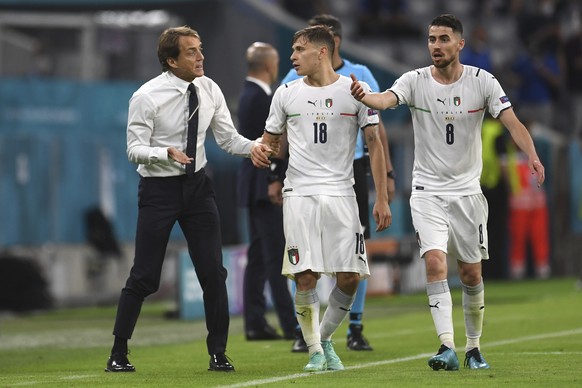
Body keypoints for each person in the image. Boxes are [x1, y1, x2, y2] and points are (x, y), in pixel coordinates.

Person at [351, 14, 545, 371]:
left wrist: (531, 155)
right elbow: (385, 100)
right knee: (435, 262)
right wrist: (366, 96)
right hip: (427, 191)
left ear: (460, 44)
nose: (435, 46)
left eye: (443, 39)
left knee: (471, 274)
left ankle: (473, 348)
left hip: (468, 194)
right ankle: (446, 346)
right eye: (430, 39)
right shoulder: (414, 80)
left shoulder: (482, 81)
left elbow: (512, 122)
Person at [104, 26, 274, 373]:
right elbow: (133, 150)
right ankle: (118, 353)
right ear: (171, 60)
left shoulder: (209, 88)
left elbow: (228, 139)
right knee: (145, 276)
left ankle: (218, 353)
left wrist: (255, 148)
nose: (201, 57)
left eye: (200, 49)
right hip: (158, 192)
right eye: (192, 52)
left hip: (197, 188)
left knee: (213, 272)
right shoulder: (146, 96)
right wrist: (163, 153)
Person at [262, 25, 391, 372]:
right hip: (300, 193)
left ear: (323, 52)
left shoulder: (355, 92)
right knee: (306, 276)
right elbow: (270, 140)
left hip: (342, 193)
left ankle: (324, 337)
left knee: (349, 277)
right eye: (292, 50)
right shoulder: (286, 93)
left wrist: (381, 197)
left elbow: (375, 144)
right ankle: (316, 352)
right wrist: (259, 152)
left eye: (299, 49)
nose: (292, 56)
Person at [236, 42, 298, 341]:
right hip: (265, 184)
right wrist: (277, 177)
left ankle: (255, 322)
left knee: (260, 256)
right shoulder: (263, 98)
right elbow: (272, 143)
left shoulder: (249, 94)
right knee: (274, 257)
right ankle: (290, 324)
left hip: (253, 183)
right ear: (270, 66)